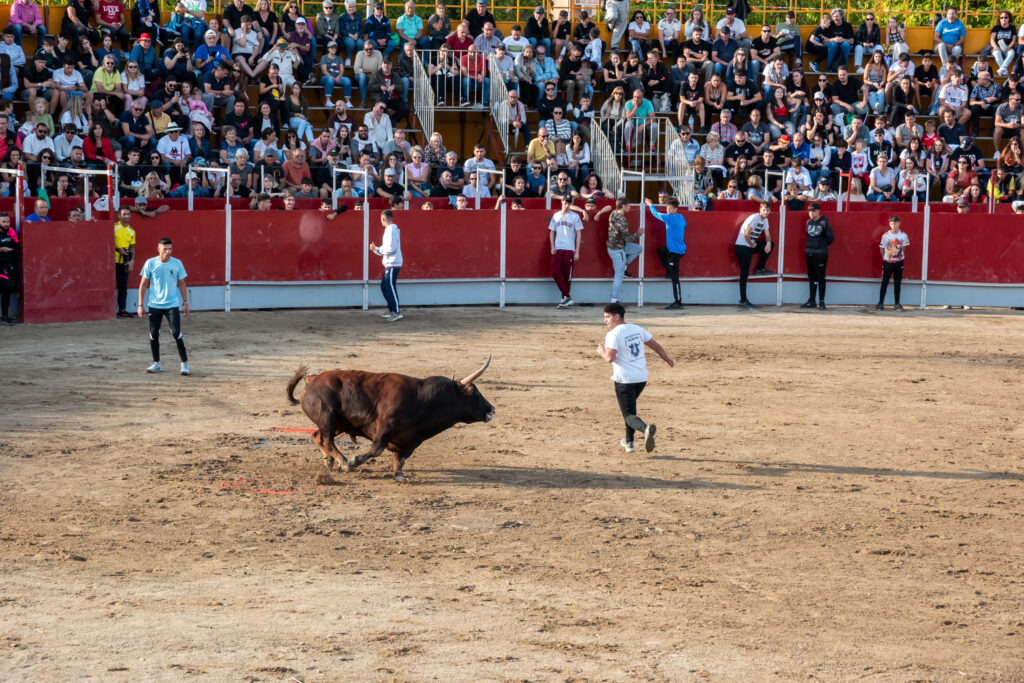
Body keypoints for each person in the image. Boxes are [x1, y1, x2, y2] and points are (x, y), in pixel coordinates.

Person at [596, 302, 674, 454]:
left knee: (628, 414)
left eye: (607, 317)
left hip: (625, 379)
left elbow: (610, 358)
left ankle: (645, 429)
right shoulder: (637, 329)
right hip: (641, 377)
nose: (605, 320)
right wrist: (666, 359)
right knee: (630, 410)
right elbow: (656, 346)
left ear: (617, 316)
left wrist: (601, 351)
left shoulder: (613, 334)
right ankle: (629, 443)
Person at [138, 237, 190, 375]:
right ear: (158, 249)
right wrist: (140, 304)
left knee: (176, 332)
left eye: (170, 249)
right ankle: (156, 363)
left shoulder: (177, 263)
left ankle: (184, 364)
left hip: (172, 304)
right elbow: (143, 284)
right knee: (153, 333)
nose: (168, 252)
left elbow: (182, 283)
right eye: (165, 249)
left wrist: (185, 302)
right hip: (154, 304)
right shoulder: (150, 263)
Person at [596, 197, 643, 304]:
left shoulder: (613, 213)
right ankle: (613, 300)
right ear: (623, 206)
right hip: (618, 250)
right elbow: (628, 238)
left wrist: (599, 213)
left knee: (638, 248)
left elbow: (608, 207)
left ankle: (625, 266)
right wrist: (639, 233)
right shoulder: (622, 220)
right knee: (619, 275)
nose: (630, 207)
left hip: (617, 246)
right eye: (628, 205)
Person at [645, 197, 686, 310]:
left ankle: (678, 301)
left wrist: (650, 204)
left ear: (676, 209)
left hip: (675, 252)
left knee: (675, 278)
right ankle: (668, 271)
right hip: (677, 249)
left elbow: (656, 214)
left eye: (671, 208)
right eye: (667, 208)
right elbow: (685, 225)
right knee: (661, 250)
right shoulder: (681, 217)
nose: (668, 210)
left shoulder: (669, 218)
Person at [734, 201, 774, 309]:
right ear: (760, 209)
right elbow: (747, 234)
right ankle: (743, 300)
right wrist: (752, 244)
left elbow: (768, 235)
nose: (766, 212)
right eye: (764, 209)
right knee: (744, 273)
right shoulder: (754, 218)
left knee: (771, 244)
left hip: (750, 246)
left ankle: (760, 268)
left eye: (768, 210)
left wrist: (768, 243)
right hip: (742, 246)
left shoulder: (765, 220)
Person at [549, 195, 585, 308]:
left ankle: (564, 299)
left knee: (566, 276)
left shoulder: (575, 217)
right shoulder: (556, 216)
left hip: (569, 249)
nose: (567, 205)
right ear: (561, 202)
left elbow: (579, 234)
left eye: (569, 203)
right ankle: (568, 297)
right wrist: (552, 246)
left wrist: (577, 251)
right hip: (558, 248)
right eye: (565, 202)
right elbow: (551, 231)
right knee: (555, 272)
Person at [369, 208, 403, 321]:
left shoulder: (391, 230)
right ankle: (392, 310)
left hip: (392, 263)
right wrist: (376, 249)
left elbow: (391, 248)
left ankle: (396, 311)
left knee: (389, 287)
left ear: (383, 219)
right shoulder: (391, 230)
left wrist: (379, 250)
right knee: (385, 286)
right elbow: (389, 248)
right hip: (391, 263)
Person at [802, 202, 833, 310]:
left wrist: (821, 245)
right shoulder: (808, 222)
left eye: (814, 211)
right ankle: (812, 300)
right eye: (810, 211)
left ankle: (821, 301)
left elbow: (830, 238)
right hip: (809, 252)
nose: (811, 213)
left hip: (820, 253)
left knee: (820, 276)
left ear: (818, 211)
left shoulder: (824, 223)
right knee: (811, 277)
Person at [876, 215, 909, 311]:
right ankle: (880, 303)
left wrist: (898, 257)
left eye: (895, 223)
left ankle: (897, 303)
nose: (893, 225)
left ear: (899, 223)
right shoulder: (886, 235)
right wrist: (885, 258)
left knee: (897, 282)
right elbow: (881, 248)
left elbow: (904, 247)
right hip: (888, 262)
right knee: (884, 282)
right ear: (889, 224)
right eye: (891, 224)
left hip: (899, 262)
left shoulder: (903, 235)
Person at [113, 206, 136, 318]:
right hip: (112, 261)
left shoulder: (131, 231)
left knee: (123, 286)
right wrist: (117, 249)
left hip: (124, 262)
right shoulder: (114, 227)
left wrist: (132, 260)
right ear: (119, 215)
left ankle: (122, 309)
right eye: (124, 214)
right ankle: (113, 311)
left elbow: (132, 248)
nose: (127, 216)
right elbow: (108, 242)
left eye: (128, 214)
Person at [0, 211, 19, 325]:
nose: (6, 224)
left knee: (6, 290)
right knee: (8, 284)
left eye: (8, 221)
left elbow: (17, 247)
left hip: (9, 266)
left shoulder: (11, 232)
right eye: (3, 222)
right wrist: (1, 249)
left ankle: (5, 317)